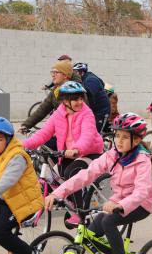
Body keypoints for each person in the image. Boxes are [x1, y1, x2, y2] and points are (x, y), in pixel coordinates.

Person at [44, 113, 152, 254]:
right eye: (117, 135)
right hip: (117, 202)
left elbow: (142, 191)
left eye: (124, 137)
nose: (119, 141)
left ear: (136, 140)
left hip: (140, 204)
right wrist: (57, 194)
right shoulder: (112, 155)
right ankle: (115, 253)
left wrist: (120, 205)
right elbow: (86, 174)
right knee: (90, 235)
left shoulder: (143, 160)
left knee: (108, 222)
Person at [22, 81, 104, 225]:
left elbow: (88, 136)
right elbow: (44, 133)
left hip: (89, 152)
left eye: (80, 98)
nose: (79, 102)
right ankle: (71, 203)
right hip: (68, 153)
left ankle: (80, 214)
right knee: (55, 174)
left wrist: (76, 149)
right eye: (75, 99)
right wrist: (21, 146)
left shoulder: (87, 113)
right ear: (65, 101)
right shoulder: (59, 114)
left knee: (72, 173)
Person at [0, 117, 43, 254]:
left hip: (21, 202)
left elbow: (8, 181)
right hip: (3, 199)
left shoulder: (17, 156)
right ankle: (11, 245)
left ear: (8, 139)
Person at [20, 60, 77, 133]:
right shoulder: (56, 90)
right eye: (52, 72)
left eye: (56, 72)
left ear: (65, 75)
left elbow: (78, 117)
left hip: (73, 134)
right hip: (61, 130)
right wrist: (26, 125)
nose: (53, 75)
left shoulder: (75, 92)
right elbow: (43, 109)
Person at [73, 63, 111, 132]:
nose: (73, 75)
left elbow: (87, 96)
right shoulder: (84, 80)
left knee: (93, 133)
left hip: (100, 112)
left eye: (75, 72)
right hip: (93, 111)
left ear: (81, 72)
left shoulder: (91, 80)